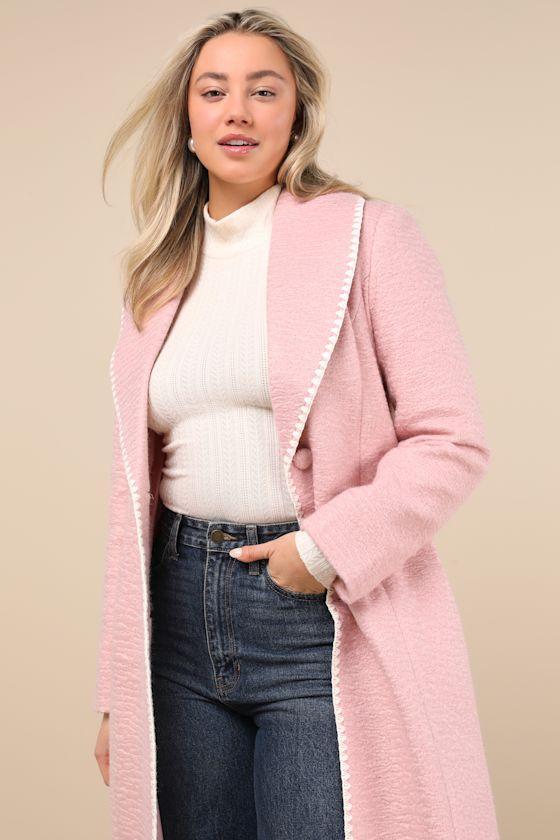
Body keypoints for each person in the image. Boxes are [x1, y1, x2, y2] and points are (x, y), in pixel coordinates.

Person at [93, 9, 500, 840]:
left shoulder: (369, 236)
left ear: (297, 113)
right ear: (187, 117)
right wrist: (115, 689)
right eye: (214, 91)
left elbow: (451, 439)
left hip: (315, 615)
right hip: (177, 615)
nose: (237, 112)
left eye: (264, 91)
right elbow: (131, 498)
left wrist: (323, 552)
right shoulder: (159, 272)